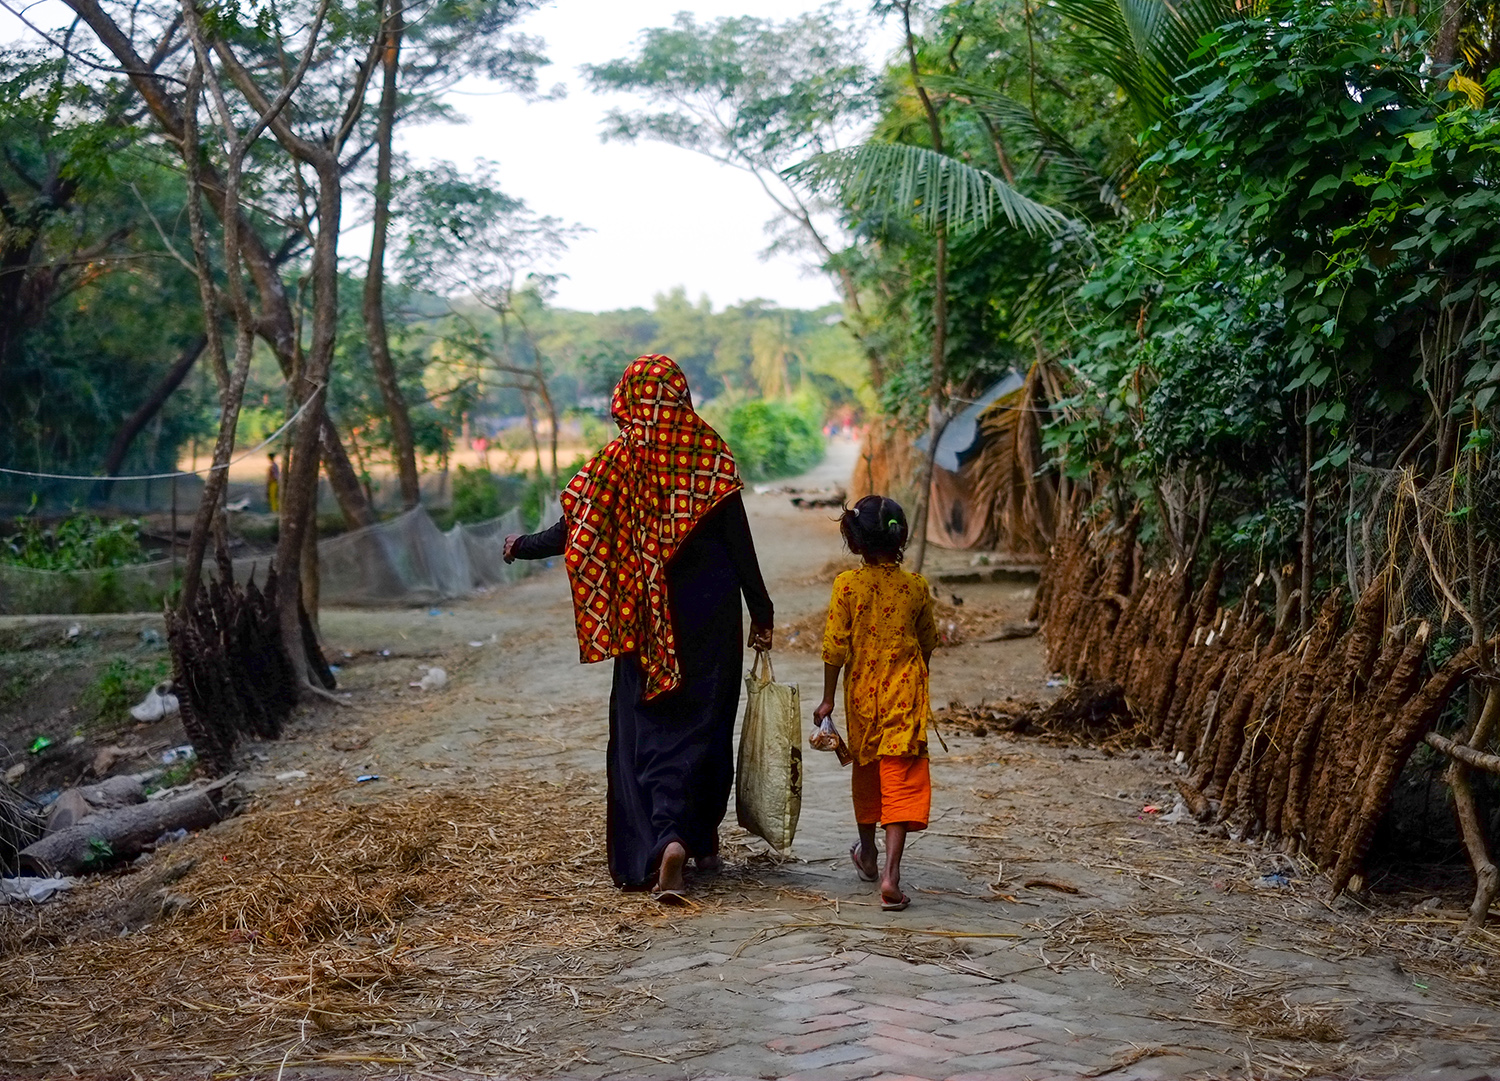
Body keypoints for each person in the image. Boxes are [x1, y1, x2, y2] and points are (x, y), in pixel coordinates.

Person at [503, 355, 774, 900]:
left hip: (645, 618)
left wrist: (522, 546)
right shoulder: (708, 456)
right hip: (712, 614)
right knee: (706, 723)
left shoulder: (616, 461)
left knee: (649, 723)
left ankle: (663, 838)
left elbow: (573, 527)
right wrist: (762, 611)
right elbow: (739, 543)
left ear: (627, 398)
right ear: (680, 395)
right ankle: (696, 839)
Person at [812, 495, 937, 912]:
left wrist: (829, 699)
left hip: (862, 697)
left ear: (856, 542)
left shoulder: (847, 586)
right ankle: (891, 876)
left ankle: (868, 854)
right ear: (901, 538)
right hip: (905, 695)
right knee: (900, 775)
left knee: (868, 771)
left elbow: (835, 648)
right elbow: (928, 642)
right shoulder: (915, 587)